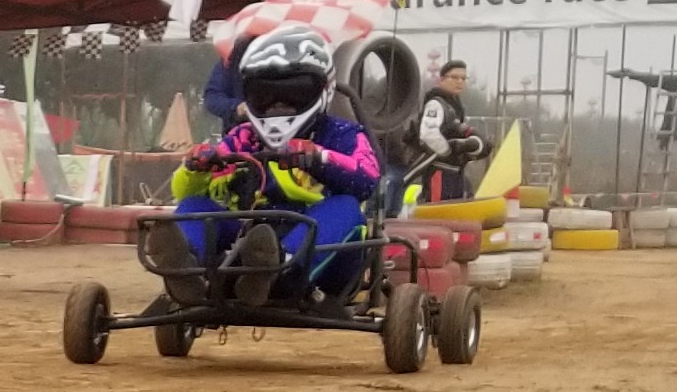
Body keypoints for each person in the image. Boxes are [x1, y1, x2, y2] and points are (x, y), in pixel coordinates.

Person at [170, 26, 386, 302]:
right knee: (193, 208)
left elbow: (368, 177)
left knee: (345, 208)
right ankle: (188, 270)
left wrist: (318, 158)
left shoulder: (342, 134)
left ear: (324, 89)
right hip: (250, 238)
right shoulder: (244, 136)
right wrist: (196, 166)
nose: (277, 105)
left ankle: (277, 269)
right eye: (265, 95)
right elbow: (188, 191)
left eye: (293, 94)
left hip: (323, 256)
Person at [411, 60, 485, 203]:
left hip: (455, 171)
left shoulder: (456, 105)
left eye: (463, 78)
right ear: (442, 79)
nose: (460, 82)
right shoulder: (436, 104)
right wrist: (449, 151)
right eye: (454, 77)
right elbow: (428, 134)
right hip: (439, 170)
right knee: (437, 213)